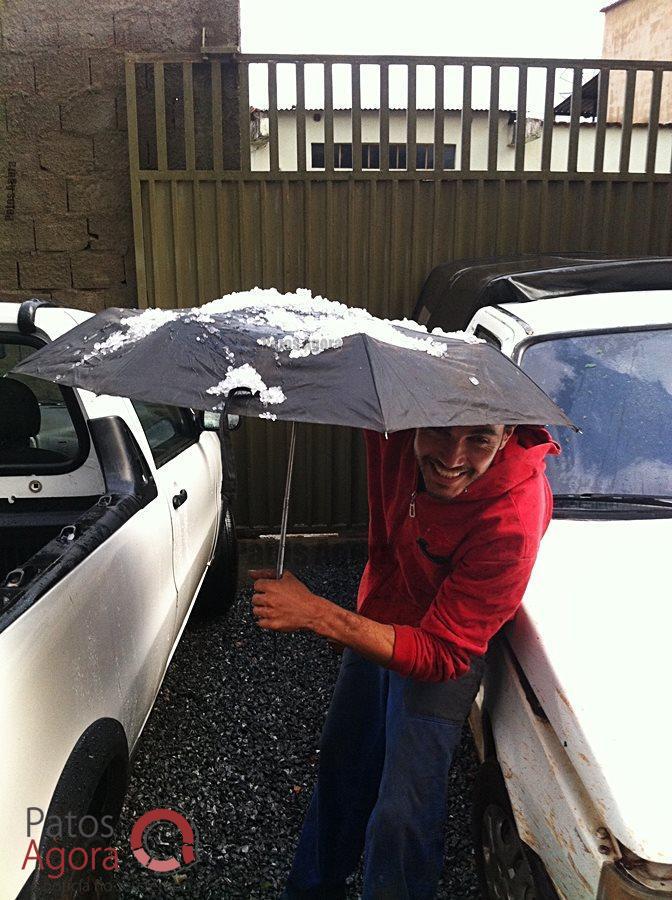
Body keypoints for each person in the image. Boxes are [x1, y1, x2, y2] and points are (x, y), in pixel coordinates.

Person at [250, 423, 559, 900]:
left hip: (443, 641)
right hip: (386, 612)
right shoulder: (392, 430)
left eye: (478, 438)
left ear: (506, 435)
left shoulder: (513, 520)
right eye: (439, 431)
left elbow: (445, 652)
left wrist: (321, 615)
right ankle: (311, 890)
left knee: (402, 811)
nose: (452, 457)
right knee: (342, 762)